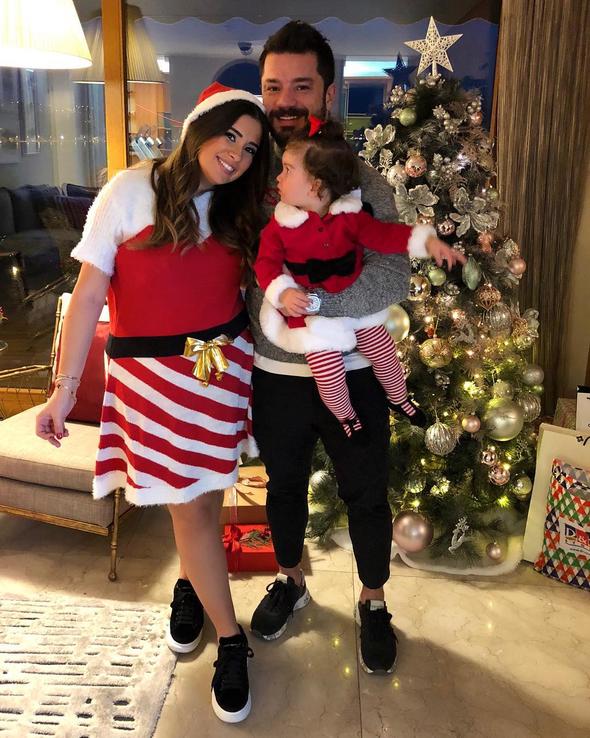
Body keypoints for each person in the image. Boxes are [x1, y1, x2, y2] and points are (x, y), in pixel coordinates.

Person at [35, 83, 270, 724]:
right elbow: (88, 296)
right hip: (151, 382)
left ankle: (191, 586)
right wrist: (63, 389)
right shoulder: (129, 190)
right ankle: (232, 640)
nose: (238, 154)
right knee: (189, 508)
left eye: (252, 148)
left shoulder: (239, 206)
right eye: (230, 135)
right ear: (199, 128)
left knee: (202, 501)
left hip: (220, 373)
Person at [247, 21, 465, 674]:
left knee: (367, 492)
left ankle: (373, 599)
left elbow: (391, 274)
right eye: (273, 87)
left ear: (328, 92)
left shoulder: (361, 181)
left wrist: (317, 311)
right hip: (274, 374)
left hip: (358, 370)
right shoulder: (251, 179)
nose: (285, 100)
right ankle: (291, 579)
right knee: (283, 486)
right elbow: (244, 270)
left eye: (301, 86)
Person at [254, 118, 457, 438]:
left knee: (384, 352)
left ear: (316, 184)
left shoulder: (350, 218)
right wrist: (283, 293)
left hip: (356, 306)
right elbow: (265, 265)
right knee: (329, 375)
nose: (278, 177)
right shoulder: (279, 227)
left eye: (288, 170)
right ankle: (347, 417)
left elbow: (385, 236)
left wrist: (426, 241)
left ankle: (399, 399)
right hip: (314, 317)